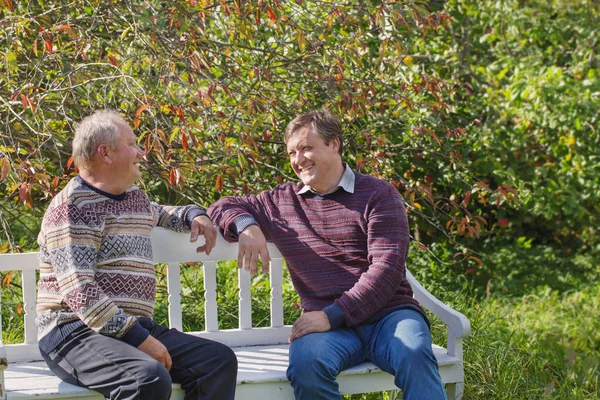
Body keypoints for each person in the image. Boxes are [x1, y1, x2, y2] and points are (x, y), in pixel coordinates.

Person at [208, 110, 446, 400]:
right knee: (307, 365)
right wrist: (248, 227)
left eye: (307, 148)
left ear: (334, 144)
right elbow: (222, 205)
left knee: (414, 354)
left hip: (388, 316)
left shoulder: (378, 195)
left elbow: (387, 269)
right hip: (326, 329)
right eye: (293, 152)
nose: (298, 160)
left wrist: (333, 315)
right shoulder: (282, 202)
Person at [35, 110, 237, 400]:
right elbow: (80, 293)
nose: (141, 152)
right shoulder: (73, 207)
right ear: (105, 153)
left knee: (217, 361)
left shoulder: (133, 198)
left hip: (130, 328)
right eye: (132, 144)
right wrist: (142, 340)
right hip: (73, 333)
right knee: (147, 379)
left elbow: (165, 214)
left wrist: (196, 215)